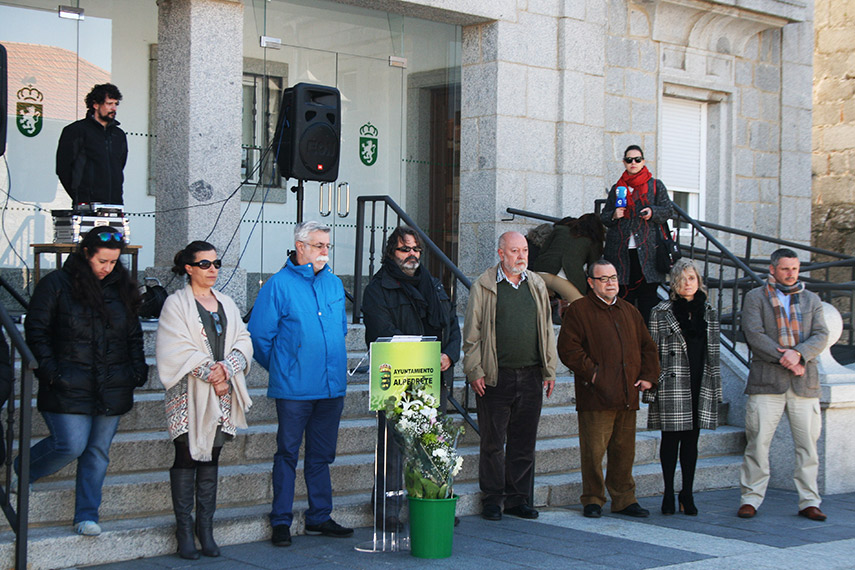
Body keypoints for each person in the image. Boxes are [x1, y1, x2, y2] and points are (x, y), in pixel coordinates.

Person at [22, 226, 148, 536]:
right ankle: (23, 470)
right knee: (70, 444)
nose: (108, 268)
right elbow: (37, 332)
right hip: (67, 383)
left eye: (114, 262)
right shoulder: (56, 285)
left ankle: (87, 514)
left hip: (113, 382)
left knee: (97, 451)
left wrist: (136, 370)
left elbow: (132, 335)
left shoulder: (122, 288)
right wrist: (52, 371)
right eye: (102, 261)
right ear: (86, 254)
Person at [248, 221, 353, 547]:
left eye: (327, 246)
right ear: (300, 246)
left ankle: (319, 516)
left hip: (330, 387)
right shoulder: (278, 286)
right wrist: (284, 367)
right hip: (294, 388)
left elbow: (341, 330)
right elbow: (259, 337)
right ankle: (281, 520)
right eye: (319, 245)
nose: (325, 251)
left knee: (322, 455)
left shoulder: (334, 284)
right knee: (287, 454)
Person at [155, 241, 254, 559]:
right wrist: (211, 372)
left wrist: (228, 368)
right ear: (189, 268)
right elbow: (175, 348)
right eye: (205, 264)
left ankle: (205, 529)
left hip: (222, 392)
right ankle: (184, 530)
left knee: (212, 457)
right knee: (186, 455)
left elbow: (243, 340)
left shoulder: (226, 302)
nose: (212, 270)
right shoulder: (175, 304)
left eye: (216, 264)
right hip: (187, 393)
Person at [361, 226, 461, 530]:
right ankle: (388, 509)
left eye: (416, 249)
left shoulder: (434, 285)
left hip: (434, 380)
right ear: (392, 253)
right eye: (405, 249)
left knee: (433, 446)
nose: (412, 255)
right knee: (393, 450)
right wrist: (426, 358)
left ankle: (435, 501)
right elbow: (382, 333)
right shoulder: (378, 289)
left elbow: (452, 327)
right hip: (399, 382)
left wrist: (449, 355)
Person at [462, 231, 556, 521]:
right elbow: (472, 333)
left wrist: (549, 368)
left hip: (530, 376)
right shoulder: (485, 285)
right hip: (495, 376)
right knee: (492, 442)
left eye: (525, 250)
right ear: (501, 254)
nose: (521, 256)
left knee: (524, 442)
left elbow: (547, 328)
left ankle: (518, 499)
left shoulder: (537, 284)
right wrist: (474, 370)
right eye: (515, 251)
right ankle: (492, 499)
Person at [557, 259, 660, 519]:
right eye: (603, 278)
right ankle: (593, 499)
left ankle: (624, 499)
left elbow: (648, 346)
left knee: (624, 451)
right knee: (593, 451)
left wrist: (648, 376)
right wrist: (594, 374)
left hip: (628, 393)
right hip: (597, 395)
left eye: (613, 277)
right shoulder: (579, 310)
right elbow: (568, 349)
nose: (611, 282)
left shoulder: (629, 310)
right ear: (591, 283)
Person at [737, 248, 829, 521]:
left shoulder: (812, 299)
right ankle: (750, 498)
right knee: (757, 444)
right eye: (785, 269)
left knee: (808, 447)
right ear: (773, 269)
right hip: (767, 382)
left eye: (795, 269)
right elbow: (754, 334)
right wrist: (787, 357)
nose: (791, 274)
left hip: (804, 383)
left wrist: (799, 353)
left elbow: (822, 334)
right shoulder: (755, 298)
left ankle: (809, 502)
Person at [646, 259, 721, 516]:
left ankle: (686, 493)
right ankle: (667, 493)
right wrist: (652, 390)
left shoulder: (708, 310)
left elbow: (714, 353)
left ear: (699, 281)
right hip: (672, 383)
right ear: (674, 283)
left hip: (700, 381)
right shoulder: (660, 311)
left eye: (692, 278)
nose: (688, 283)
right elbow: (652, 351)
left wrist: (716, 390)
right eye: (682, 279)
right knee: (670, 441)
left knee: (692, 442)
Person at [600, 145, 673, 324]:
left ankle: (646, 340)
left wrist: (652, 212)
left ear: (643, 161)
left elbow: (668, 210)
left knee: (648, 298)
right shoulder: (618, 187)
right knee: (624, 296)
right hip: (622, 252)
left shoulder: (655, 185)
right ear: (624, 162)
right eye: (629, 160)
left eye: (637, 159)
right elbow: (604, 216)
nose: (633, 163)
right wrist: (614, 215)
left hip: (648, 252)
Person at [56, 83, 128, 206]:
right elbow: (63, 168)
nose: (114, 108)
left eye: (116, 104)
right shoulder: (75, 131)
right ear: (95, 105)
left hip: (115, 203)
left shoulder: (119, 135)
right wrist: (79, 195)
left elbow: (119, 165)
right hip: (86, 204)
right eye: (109, 104)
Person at [531, 213, 605, 306]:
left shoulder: (560, 229)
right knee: (582, 306)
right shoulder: (593, 241)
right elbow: (594, 268)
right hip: (564, 276)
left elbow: (543, 251)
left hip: (540, 272)